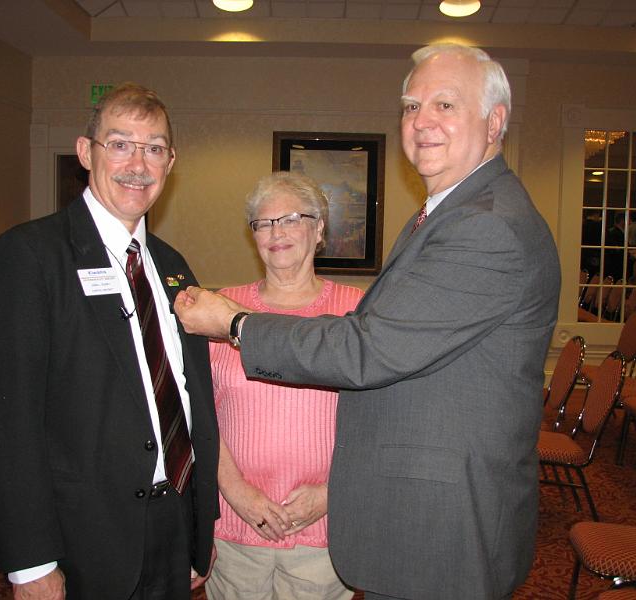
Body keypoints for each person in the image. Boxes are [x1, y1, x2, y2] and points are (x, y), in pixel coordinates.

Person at [174, 43, 560, 600]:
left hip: (443, 524)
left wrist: (236, 324)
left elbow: (367, 350)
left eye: (445, 104)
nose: (422, 121)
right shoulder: (445, 215)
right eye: (411, 106)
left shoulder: (486, 225)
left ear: (495, 121)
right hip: (404, 513)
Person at [0, 83, 219, 600]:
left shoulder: (172, 265)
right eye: (120, 144)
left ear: (170, 163)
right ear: (86, 152)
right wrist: (31, 562)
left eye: (154, 148)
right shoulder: (30, 255)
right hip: (82, 536)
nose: (138, 165)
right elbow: (6, 421)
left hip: (173, 519)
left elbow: (191, 398)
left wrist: (198, 527)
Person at [205, 171, 362, 600]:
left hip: (325, 529)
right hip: (235, 528)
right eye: (264, 223)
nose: (277, 232)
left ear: (319, 229)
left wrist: (330, 494)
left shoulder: (357, 313)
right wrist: (237, 492)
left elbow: (382, 423)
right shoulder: (219, 310)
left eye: (292, 219)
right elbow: (199, 414)